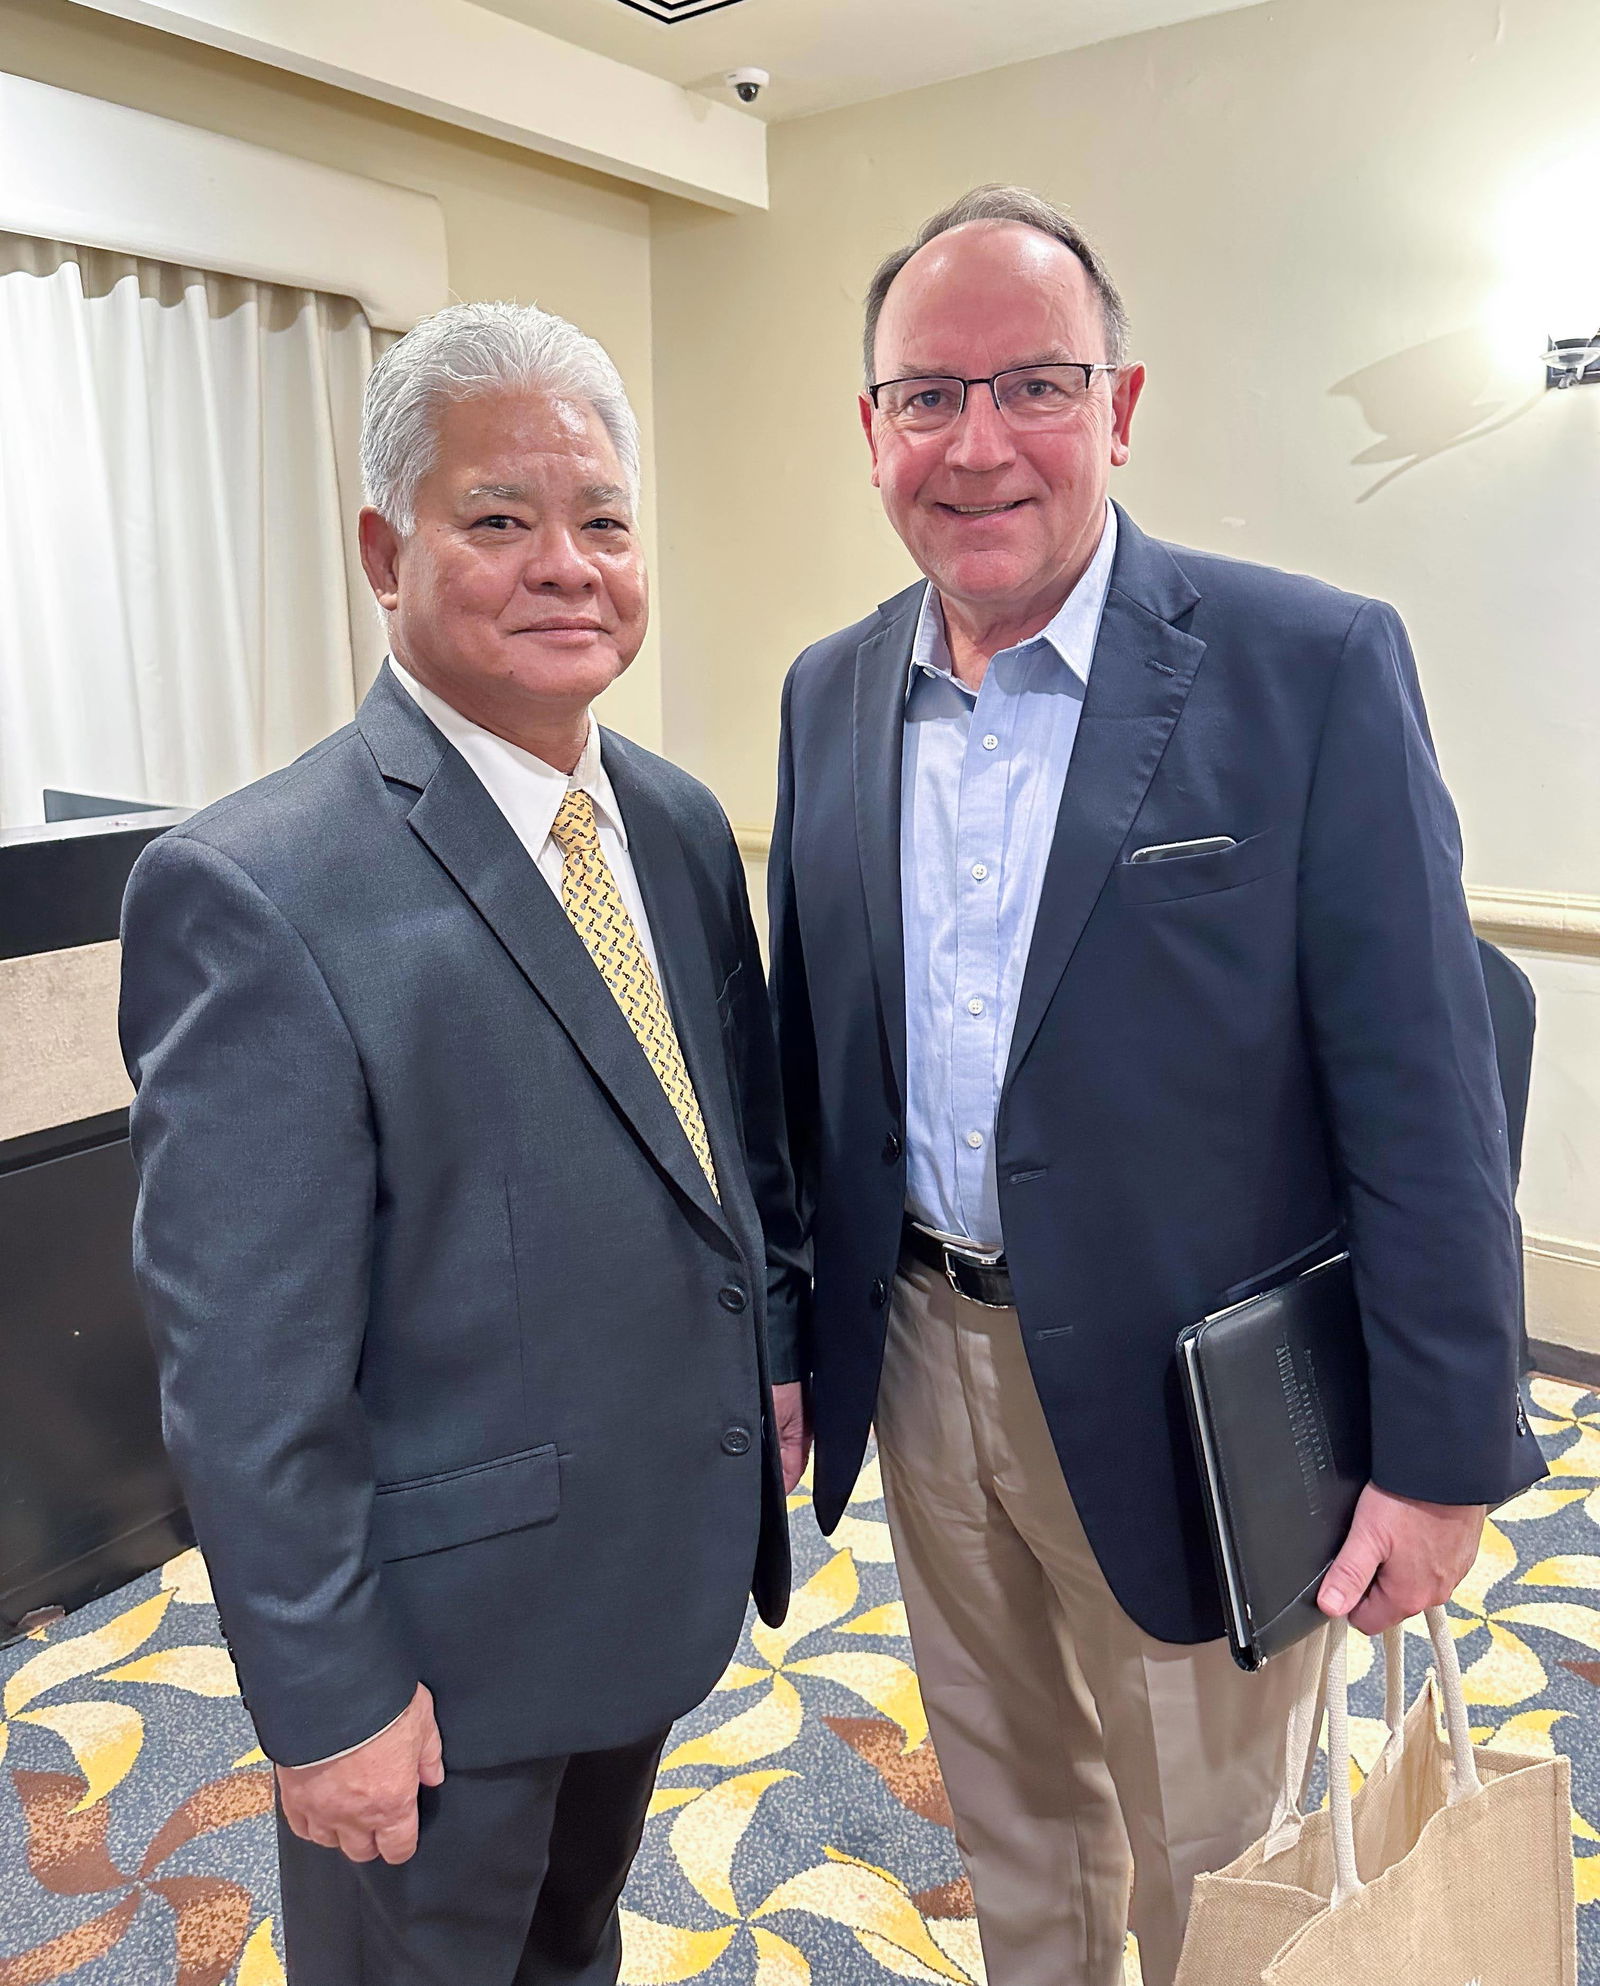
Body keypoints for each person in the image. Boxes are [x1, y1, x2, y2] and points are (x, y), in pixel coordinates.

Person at [766, 186, 1543, 1986]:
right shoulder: (829, 694)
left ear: (1119, 409)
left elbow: (1421, 1091)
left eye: (1031, 385)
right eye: (926, 399)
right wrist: (806, 1330)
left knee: (1224, 1849)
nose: (977, 445)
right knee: (1010, 1805)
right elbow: (819, 1062)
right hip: (925, 1353)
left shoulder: (1308, 665)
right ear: (869, 432)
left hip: (1199, 1391)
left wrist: (1437, 1461)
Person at [119, 300, 809, 1986]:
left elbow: (732, 1150)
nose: (566, 564)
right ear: (385, 546)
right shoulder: (258, 888)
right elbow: (244, 1367)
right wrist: (327, 1692)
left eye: (604, 522)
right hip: (432, 1657)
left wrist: (775, 1352)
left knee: (569, 1945)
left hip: (641, 1574)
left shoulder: (670, 819)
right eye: (499, 519)